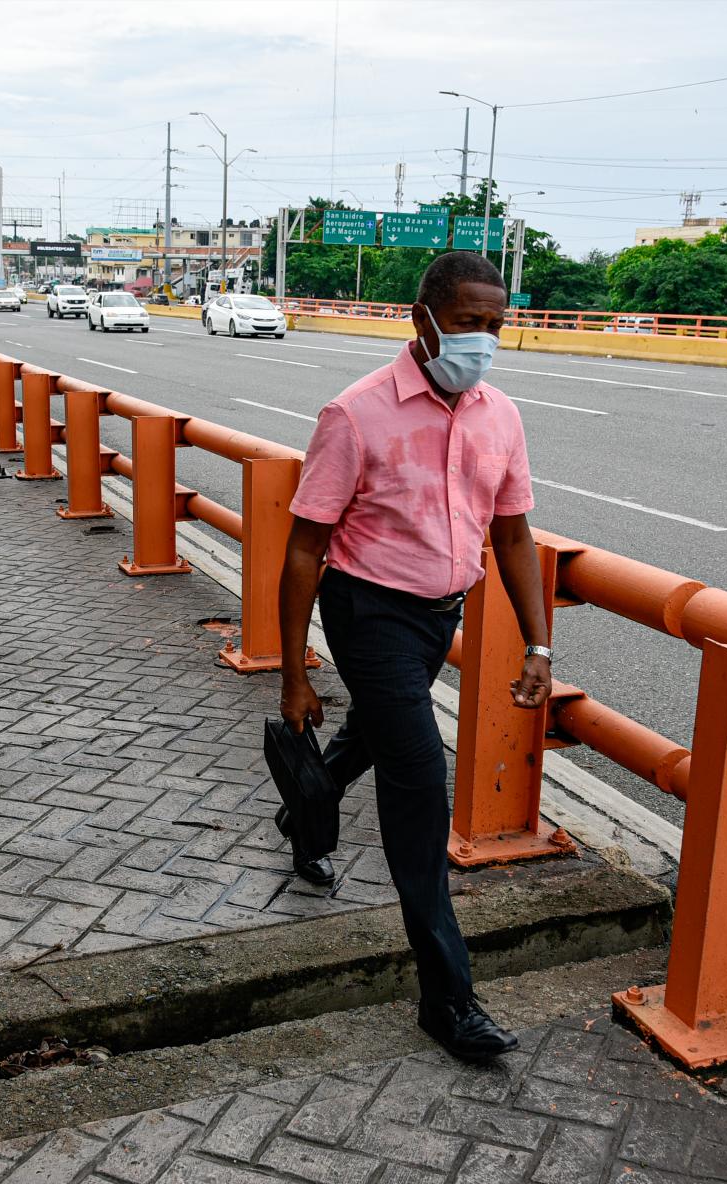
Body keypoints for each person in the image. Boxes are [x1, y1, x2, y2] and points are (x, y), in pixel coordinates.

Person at [277, 250, 553, 1062]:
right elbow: (303, 548)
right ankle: (448, 997)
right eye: (470, 322)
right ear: (424, 318)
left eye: (497, 325)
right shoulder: (355, 414)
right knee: (419, 780)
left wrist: (540, 641)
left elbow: (512, 533)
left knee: (378, 737)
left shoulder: (500, 414)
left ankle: (303, 811)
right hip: (367, 612)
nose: (485, 339)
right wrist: (296, 672)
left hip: (440, 615)